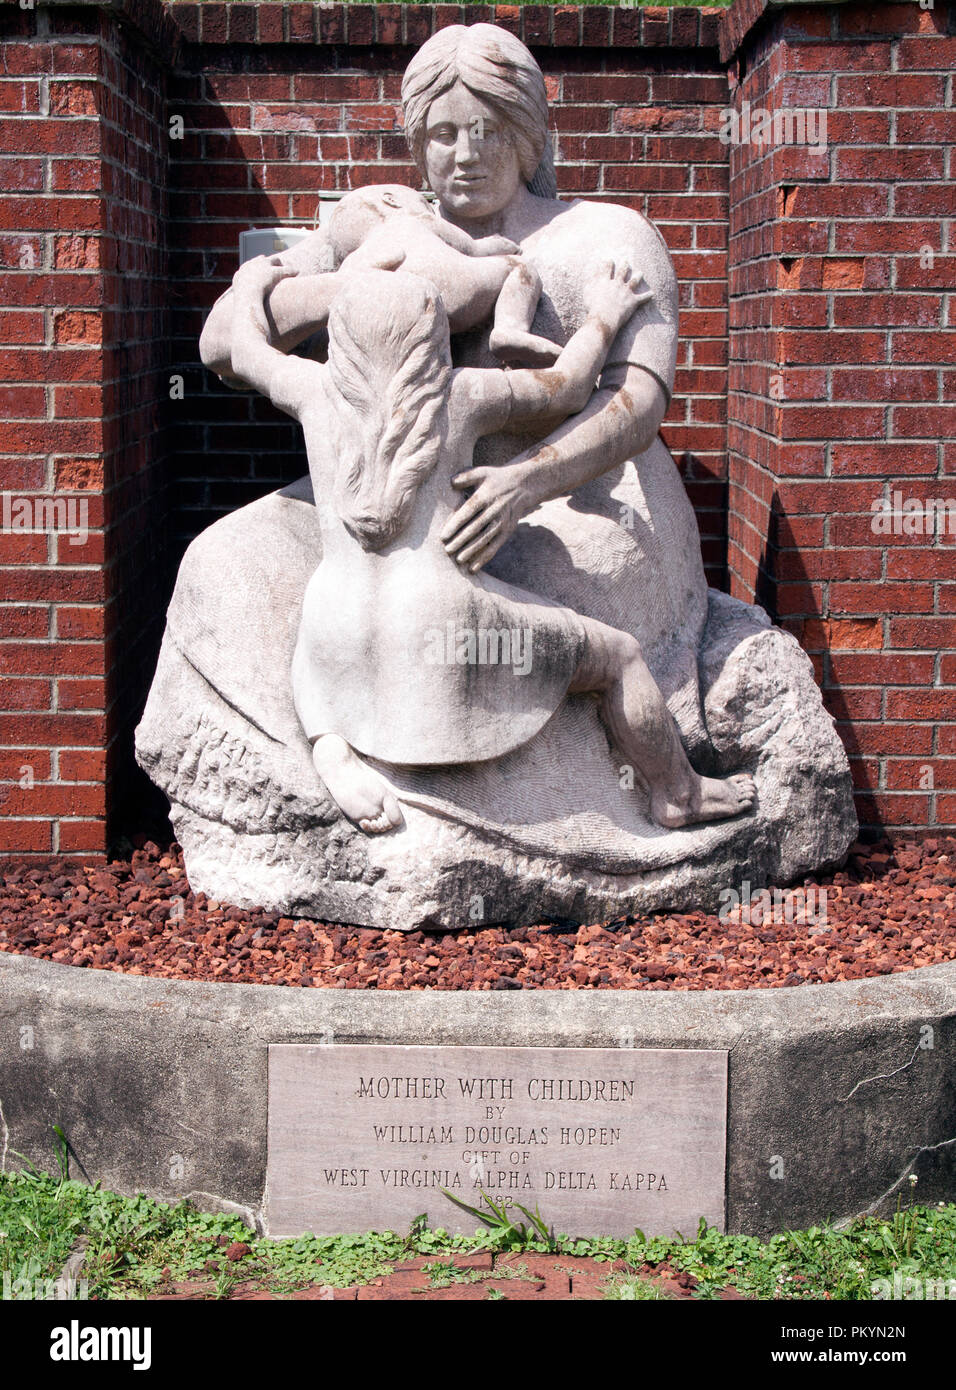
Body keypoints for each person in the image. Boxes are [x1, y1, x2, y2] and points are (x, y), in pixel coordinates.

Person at [227, 254, 755, 835]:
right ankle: (677, 793)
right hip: (444, 623)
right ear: (433, 337)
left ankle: (330, 741)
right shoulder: (461, 394)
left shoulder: (309, 390)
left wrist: (252, 281)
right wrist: (603, 317)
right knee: (618, 656)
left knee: (325, 625)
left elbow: (244, 348)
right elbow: (571, 387)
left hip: (333, 623)